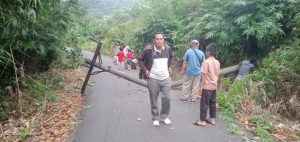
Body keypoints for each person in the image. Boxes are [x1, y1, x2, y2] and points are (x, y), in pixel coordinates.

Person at [138, 33, 174, 127]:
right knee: (154, 99)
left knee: (167, 98)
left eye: (161, 39)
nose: (160, 41)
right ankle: (155, 118)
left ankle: (164, 117)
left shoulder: (167, 49)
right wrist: (145, 70)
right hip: (153, 78)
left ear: (163, 40)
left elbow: (171, 57)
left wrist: (170, 67)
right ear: (154, 40)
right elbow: (140, 59)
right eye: (157, 39)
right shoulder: (148, 50)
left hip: (166, 78)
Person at [193, 43, 220, 126]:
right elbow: (217, 74)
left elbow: (203, 76)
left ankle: (202, 121)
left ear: (208, 52)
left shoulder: (206, 62)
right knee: (212, 103)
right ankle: (212, 119)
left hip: (207, 86)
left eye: (206, 51)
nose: (205, 52)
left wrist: (201, 87)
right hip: (214, 86)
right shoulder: (217, 62)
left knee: (204, 103)